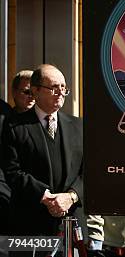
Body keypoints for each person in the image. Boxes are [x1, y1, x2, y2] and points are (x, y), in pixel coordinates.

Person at [2, 64, 84, 235]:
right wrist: (47, 198)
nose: (61, 92)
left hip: (71, 224)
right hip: (29, 226)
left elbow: (89, 171)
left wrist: (70, 197)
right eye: (54, 87)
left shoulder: (78, 126)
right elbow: (12, 171)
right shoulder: (14, 125)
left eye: (63, 87)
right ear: (35, 91)